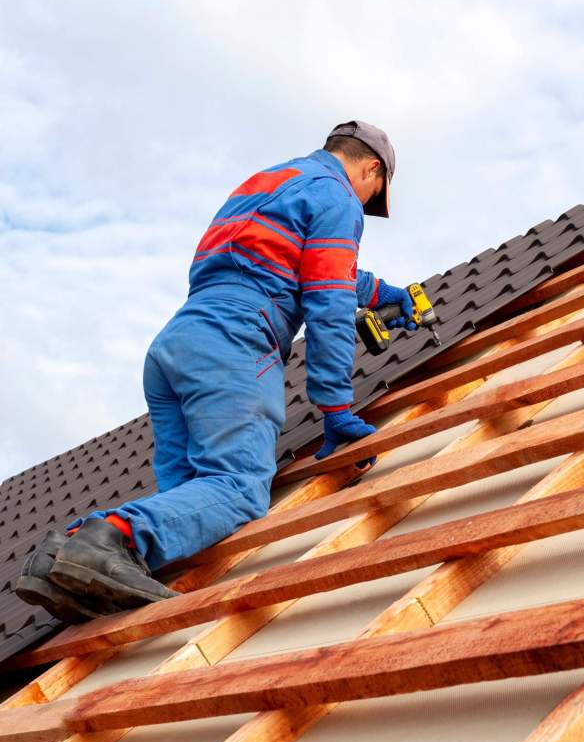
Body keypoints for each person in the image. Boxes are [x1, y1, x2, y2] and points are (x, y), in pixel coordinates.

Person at [17, 121, 416, 622]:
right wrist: (335, 406)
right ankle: (104, 540)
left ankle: (63, 557)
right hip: (234, 340)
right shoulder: (337, 196)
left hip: (179, 342)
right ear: (371, 169)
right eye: (370, 196)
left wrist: (384, 293)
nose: (361, 208)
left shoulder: (267, 183)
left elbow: (300, 266)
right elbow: (328, 300)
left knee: (189, 501)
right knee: (238, 487)